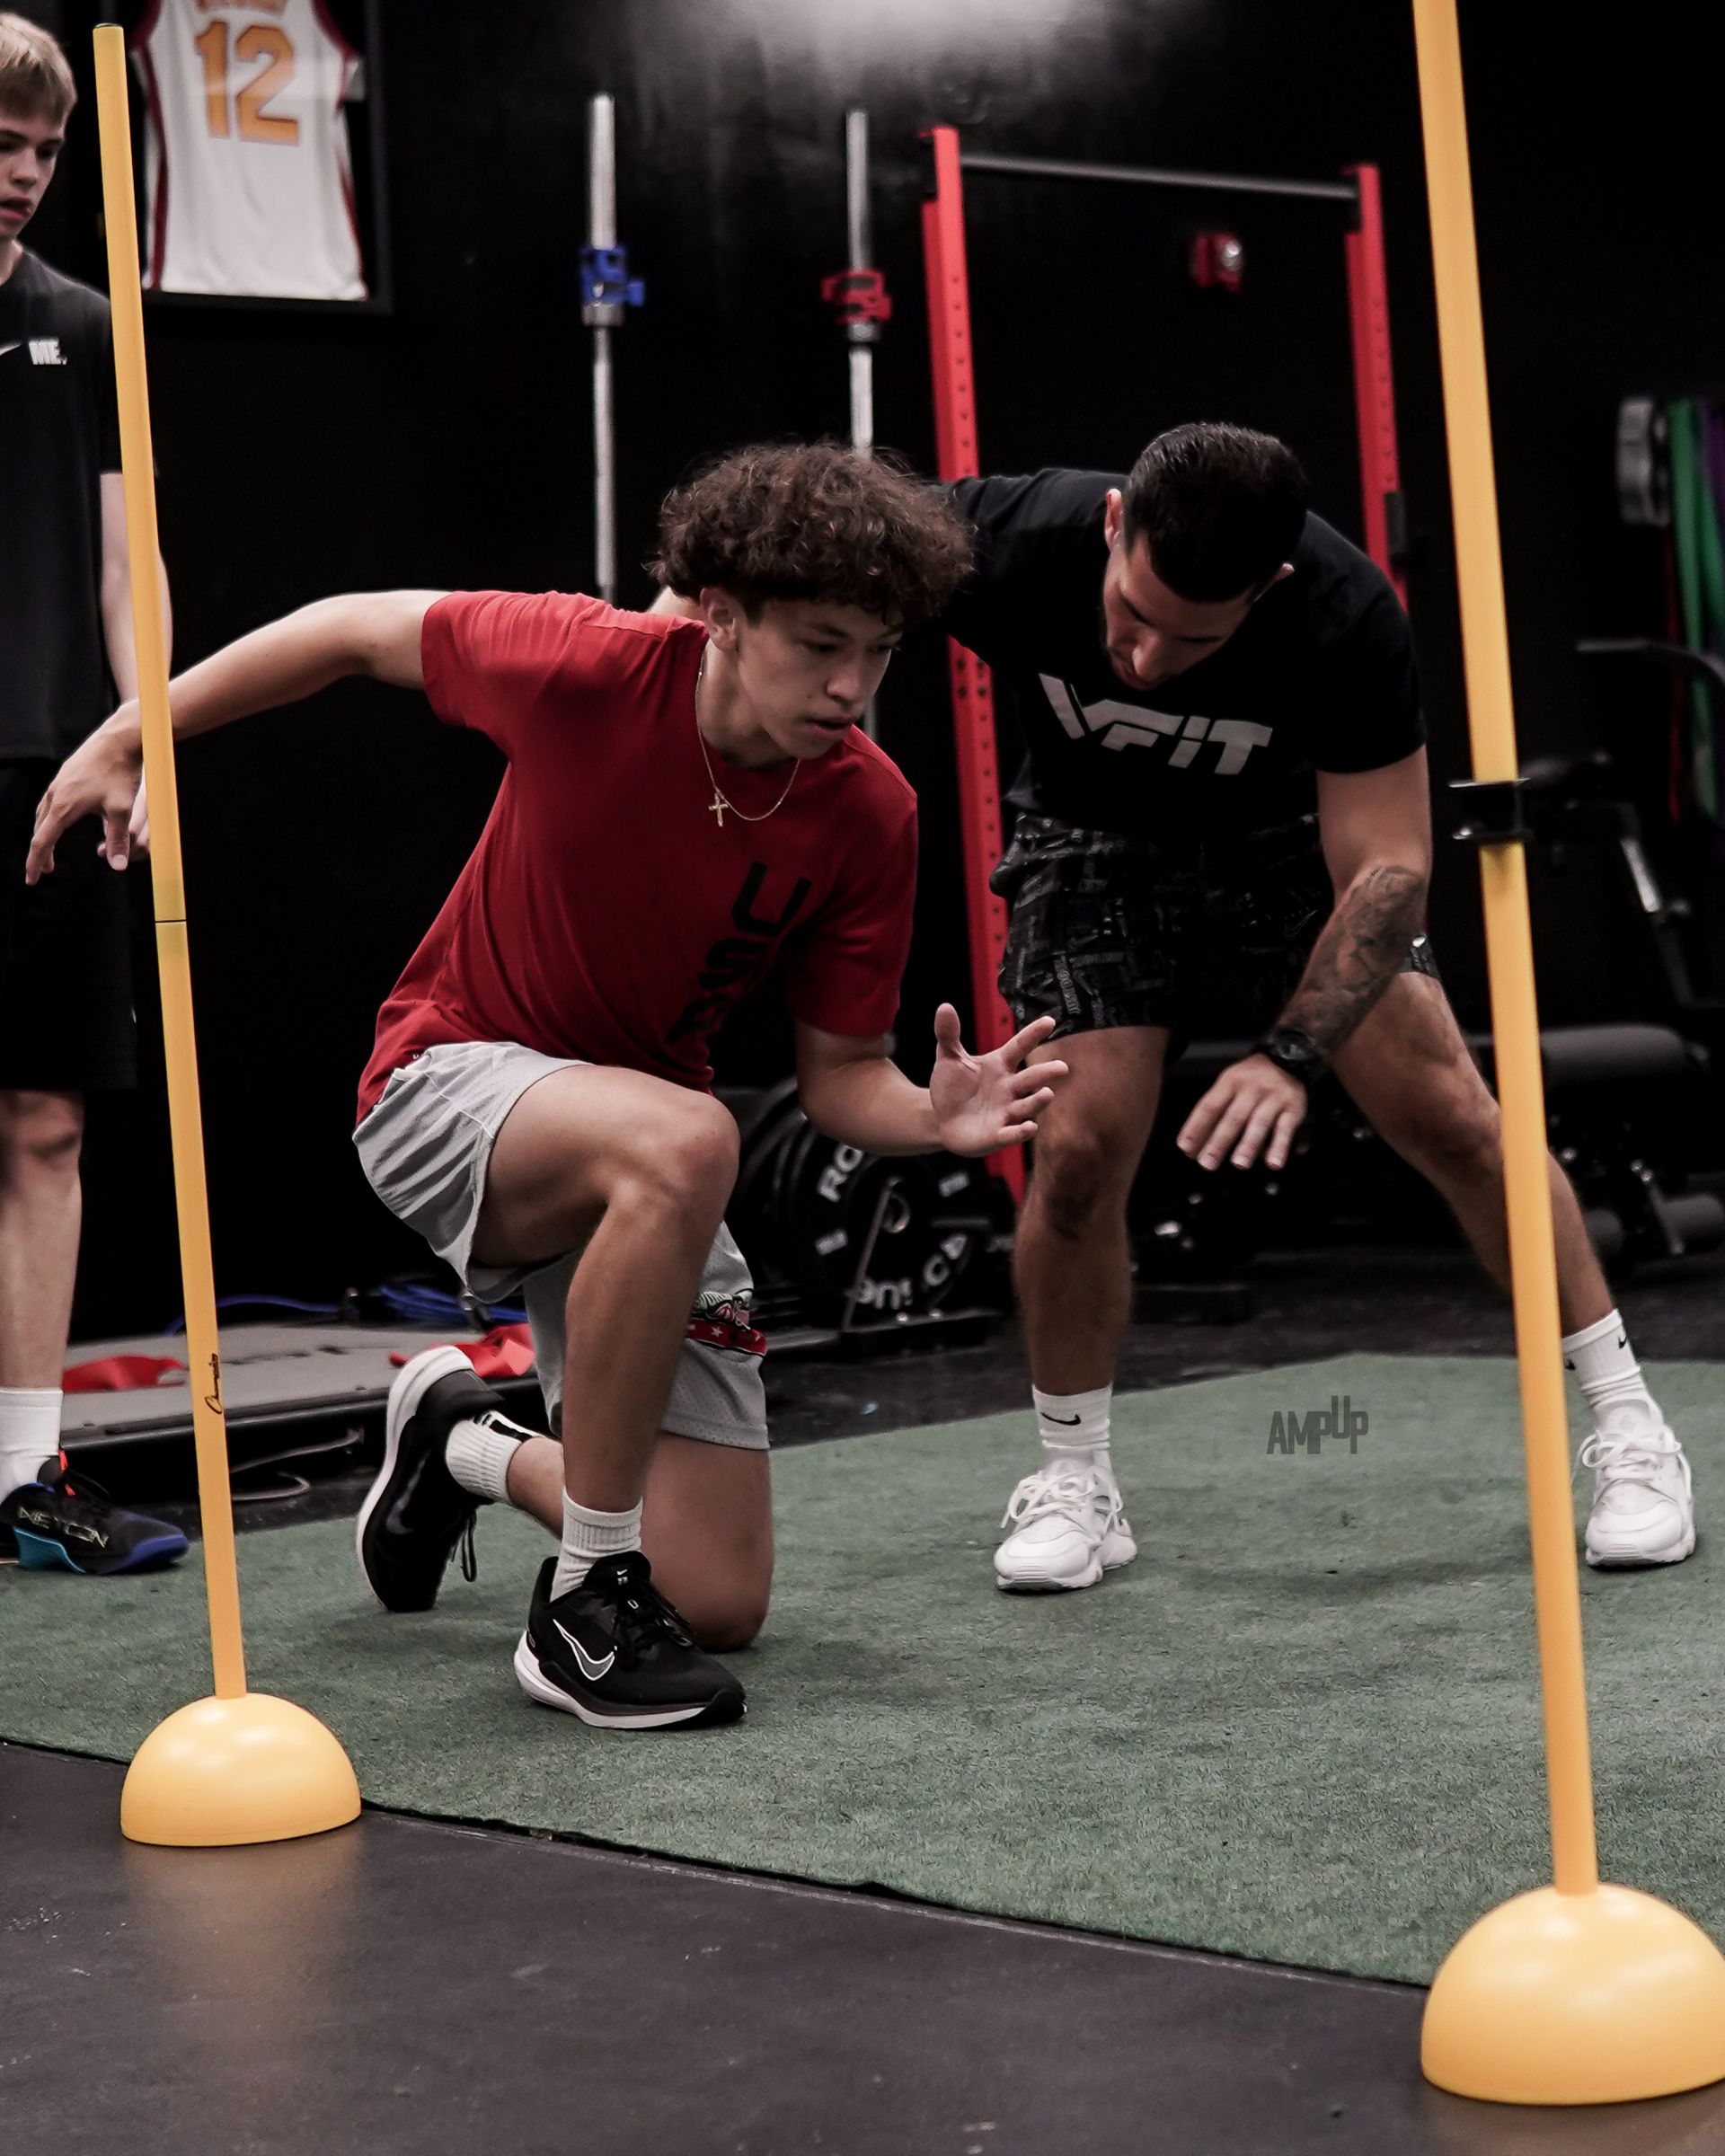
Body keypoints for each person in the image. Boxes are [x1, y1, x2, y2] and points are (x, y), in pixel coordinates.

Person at [31, 442, 1066, 1725]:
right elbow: (351, 630)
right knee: (687, 1140)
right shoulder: (588, 668)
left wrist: (932, 1116)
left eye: (881, 650)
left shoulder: (872, 814)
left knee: (716, 1593)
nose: (852, 686)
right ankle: (579, 1610)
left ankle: (462, 1440)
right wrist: (138, 729)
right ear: (724, 619)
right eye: (820, 644)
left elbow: (844, 1074)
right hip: (443, 1084)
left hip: (641, 1166)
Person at [939, 423, 1692, 1593]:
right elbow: (812, 536)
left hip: (1293, 844)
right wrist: (678, 619)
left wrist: (1292, 1051)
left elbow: (1388, 867)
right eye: (1128, 617)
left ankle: (1632, 1427)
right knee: (1078, 1149)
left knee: (1448, 1115)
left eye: (1188, 638)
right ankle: (1074, 1478)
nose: (1140, 660)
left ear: (1269, 590)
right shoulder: (1004, 536)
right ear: (1110, 527)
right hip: (1094, 832)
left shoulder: (1342, 614)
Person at [0, 13, 186, 1575]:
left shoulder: (84, 321)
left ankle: (22, 1477)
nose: (21, 173)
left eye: (44, 150)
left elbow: (130, 562)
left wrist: (147, 732)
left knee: (46, 1124)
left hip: (51, 770)